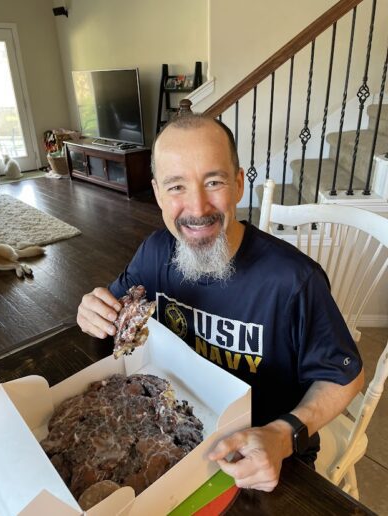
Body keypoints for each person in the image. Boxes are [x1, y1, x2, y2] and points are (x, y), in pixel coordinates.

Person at [77, 113, 364, 492]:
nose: (197, 208)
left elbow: (345, 376)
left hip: (263, 454)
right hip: (175, 431)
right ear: (158, 192)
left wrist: (282, 435)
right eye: (176, 186)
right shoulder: (154, 253)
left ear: (239, 184)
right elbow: (113, 311)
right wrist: (92, 311)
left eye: (213, 182)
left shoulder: (293, 281)